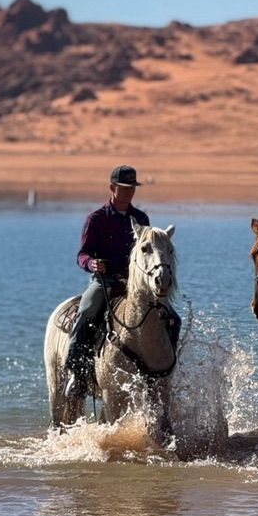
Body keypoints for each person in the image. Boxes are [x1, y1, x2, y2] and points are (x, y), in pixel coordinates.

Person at [64, 164, 150, 397]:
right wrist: (92, 264)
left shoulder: (141, 218)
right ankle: (78, 374)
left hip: (135, 284)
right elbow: (82, 254)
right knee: (87, 310)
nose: (129, 192)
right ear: (112, 187)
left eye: (132, 187)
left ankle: (164, 370)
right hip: (105, 282)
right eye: (124, 187)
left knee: (169, 316)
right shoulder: (96, 219)